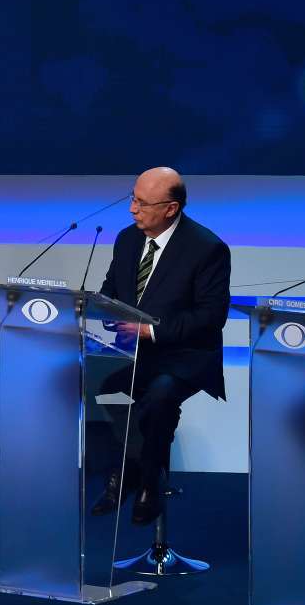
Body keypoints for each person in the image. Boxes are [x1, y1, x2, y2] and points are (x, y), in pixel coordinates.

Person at [92, 167, 230, 526]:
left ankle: (143, 481)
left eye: (141, 203)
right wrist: (99, 308)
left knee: (160, 396)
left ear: (171, 208)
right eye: (132, 198)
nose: (132, 209)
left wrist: (150, 331)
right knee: (101, 387)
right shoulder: (127, 239)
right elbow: (112, 291)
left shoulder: (207, 248)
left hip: (186, 356)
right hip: (136, 354)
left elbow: (210, 318)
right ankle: (137, 469)